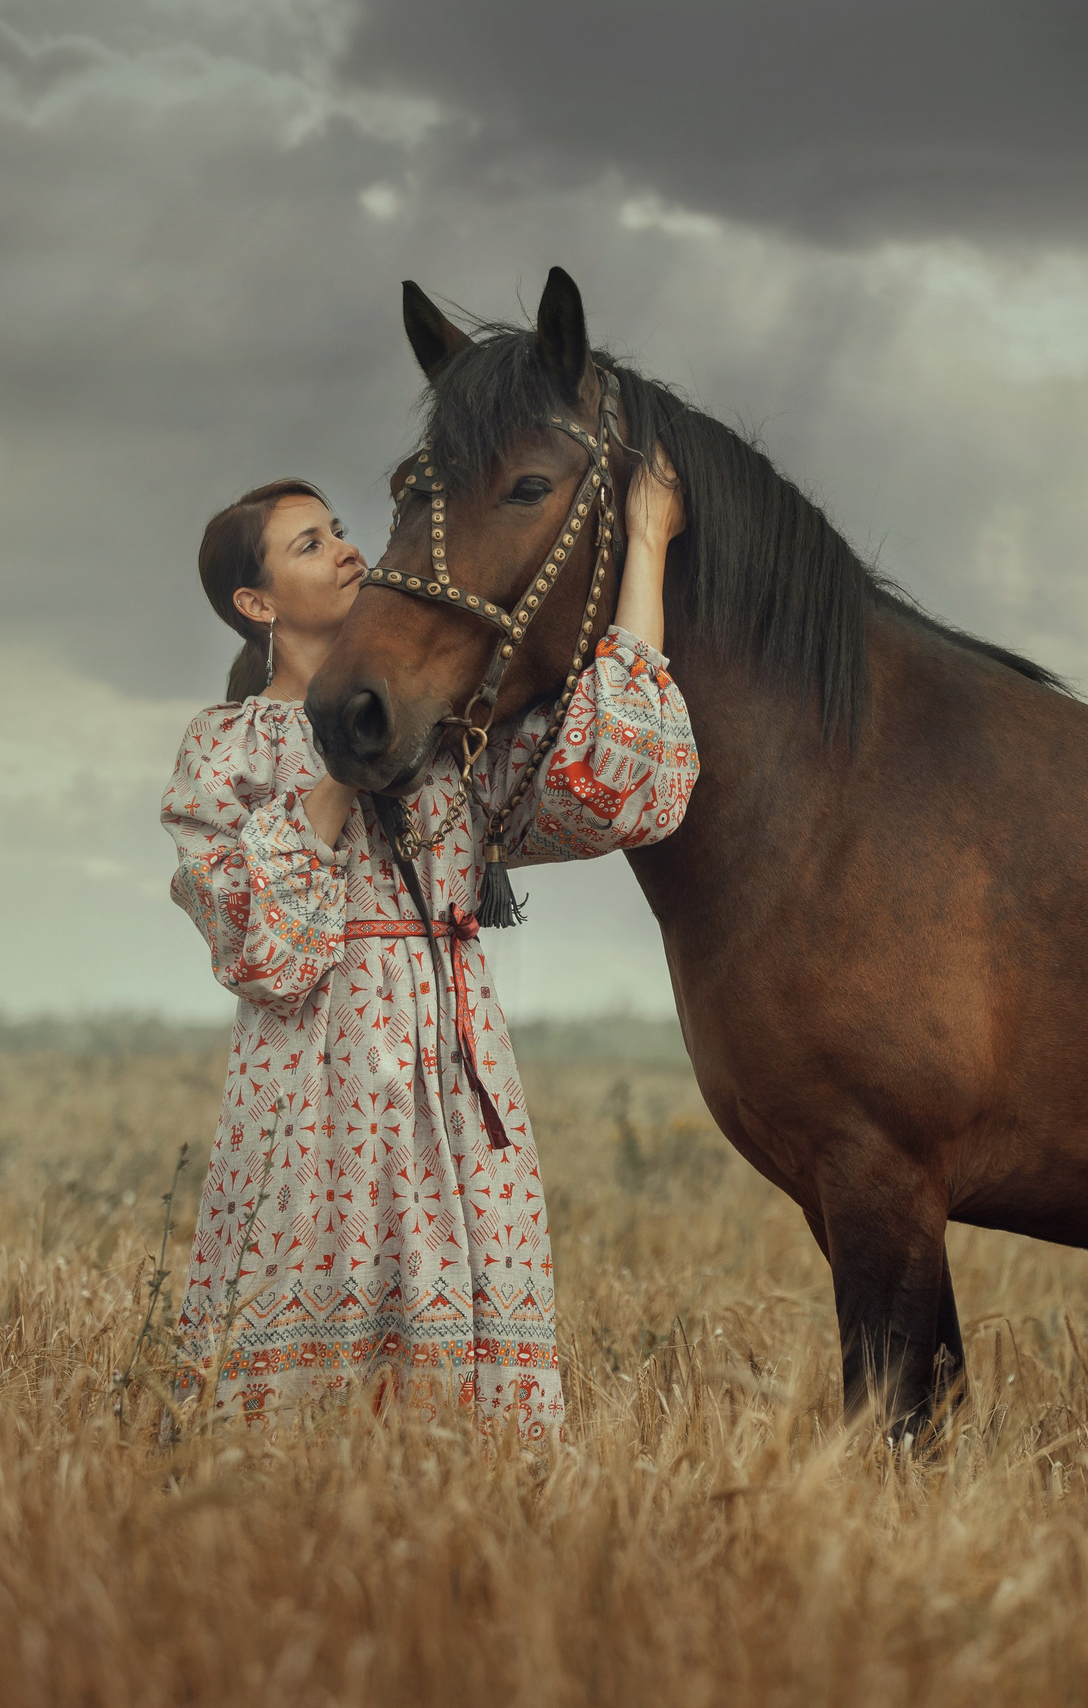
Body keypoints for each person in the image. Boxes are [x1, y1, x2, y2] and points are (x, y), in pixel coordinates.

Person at [159, 455, 695, 1436]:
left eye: (339, 529)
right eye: (308, 543)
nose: (347, 547)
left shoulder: (454, 734)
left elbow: (613, 776)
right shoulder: (226, 747)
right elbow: (257, 950)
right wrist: (346, 759)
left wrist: (646, 549)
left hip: (456, 1065)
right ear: (255, 600)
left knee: (468, 1396)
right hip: (316, 1081)